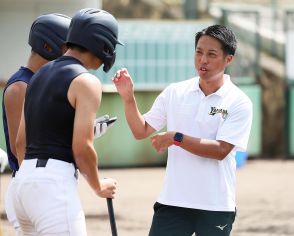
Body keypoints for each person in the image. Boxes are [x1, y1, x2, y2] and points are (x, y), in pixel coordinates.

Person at [113, 24, 253, 236]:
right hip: (172, 203)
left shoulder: (239, 101)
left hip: (215, 206)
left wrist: (175, 138)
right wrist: (128, 97)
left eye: (211, 54)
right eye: (198, 52)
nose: (203, 60)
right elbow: (141, 130)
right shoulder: (175, 92)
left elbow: (220, 150)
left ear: (228, 59)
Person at [13, 8, 122, 235]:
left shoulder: (37, 77)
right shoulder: (85, 81)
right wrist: (98, 186)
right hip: (53, 187)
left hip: (22, 185)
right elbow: (82, 148)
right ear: (103, 44)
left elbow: (19, 143)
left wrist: (34, 180)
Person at [2, 13, 71, 235]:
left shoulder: (43, 83)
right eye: (67, 48)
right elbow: (19, 146)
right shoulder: (20, 86)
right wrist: (37, 187)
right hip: (29, 185)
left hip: (39, 183)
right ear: (47, 46)